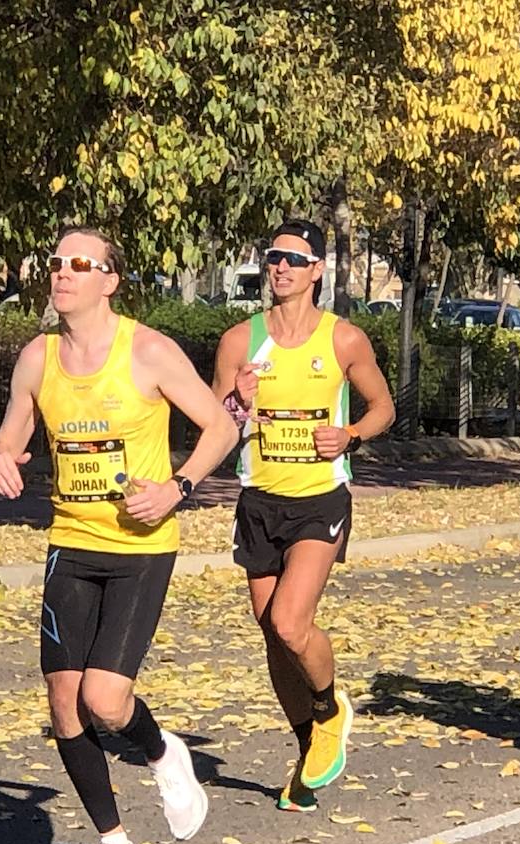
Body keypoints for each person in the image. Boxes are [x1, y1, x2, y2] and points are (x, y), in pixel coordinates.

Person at [0, 226, 239, 844]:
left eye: (79, 263)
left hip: (139, 545)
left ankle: (162, 752)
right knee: (64, 702)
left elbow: (221, 425)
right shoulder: (37, 358)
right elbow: (13, 431)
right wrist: (0, 458)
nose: (62, 272)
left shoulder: (148, 351)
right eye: (56, 262)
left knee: (104, 697)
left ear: (109, 280)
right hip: (70, 541)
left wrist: (178, 487)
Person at [212, 219, 395, 812]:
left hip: (320, 499)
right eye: (273, 258)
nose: (281, 267)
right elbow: (218, 423)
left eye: (294, 259)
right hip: (259, 498)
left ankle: (329, 708)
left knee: (292, 622)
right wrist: (236, 400)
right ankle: (307, 752)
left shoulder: (343, 340)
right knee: (271, 631)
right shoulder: (240, 340)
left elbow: (383, 407)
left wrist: (351, 436)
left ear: (317, 270)